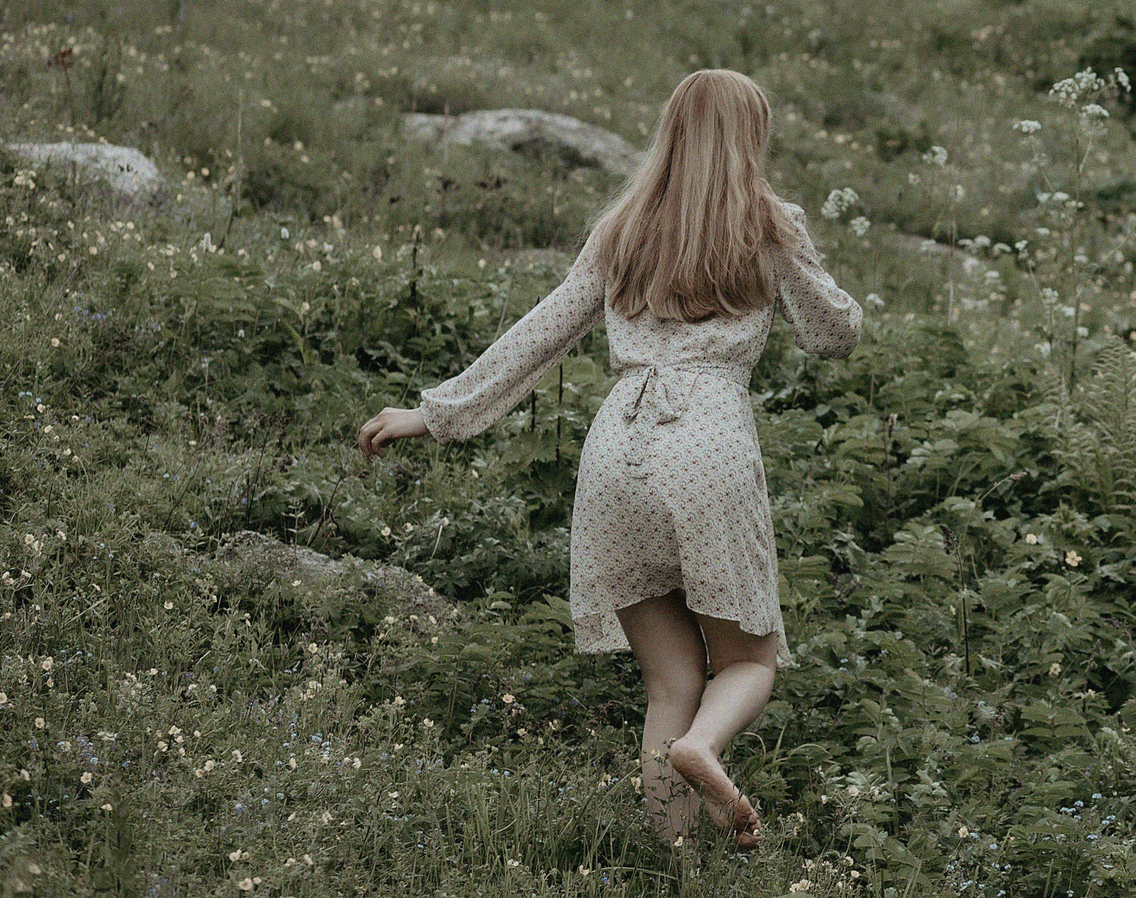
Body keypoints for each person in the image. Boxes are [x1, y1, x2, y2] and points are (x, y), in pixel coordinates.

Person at [355, 69, 862, 848]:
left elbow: (538, 334)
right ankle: (703, 746)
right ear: (749, 140)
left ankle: (676, 865)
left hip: (615, 453)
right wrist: (793, 245)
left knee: (671, 681)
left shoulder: (624, 224)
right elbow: (833, 333)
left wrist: (433, 413)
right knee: (747, 663)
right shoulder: (766, 220)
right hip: (707, 447)